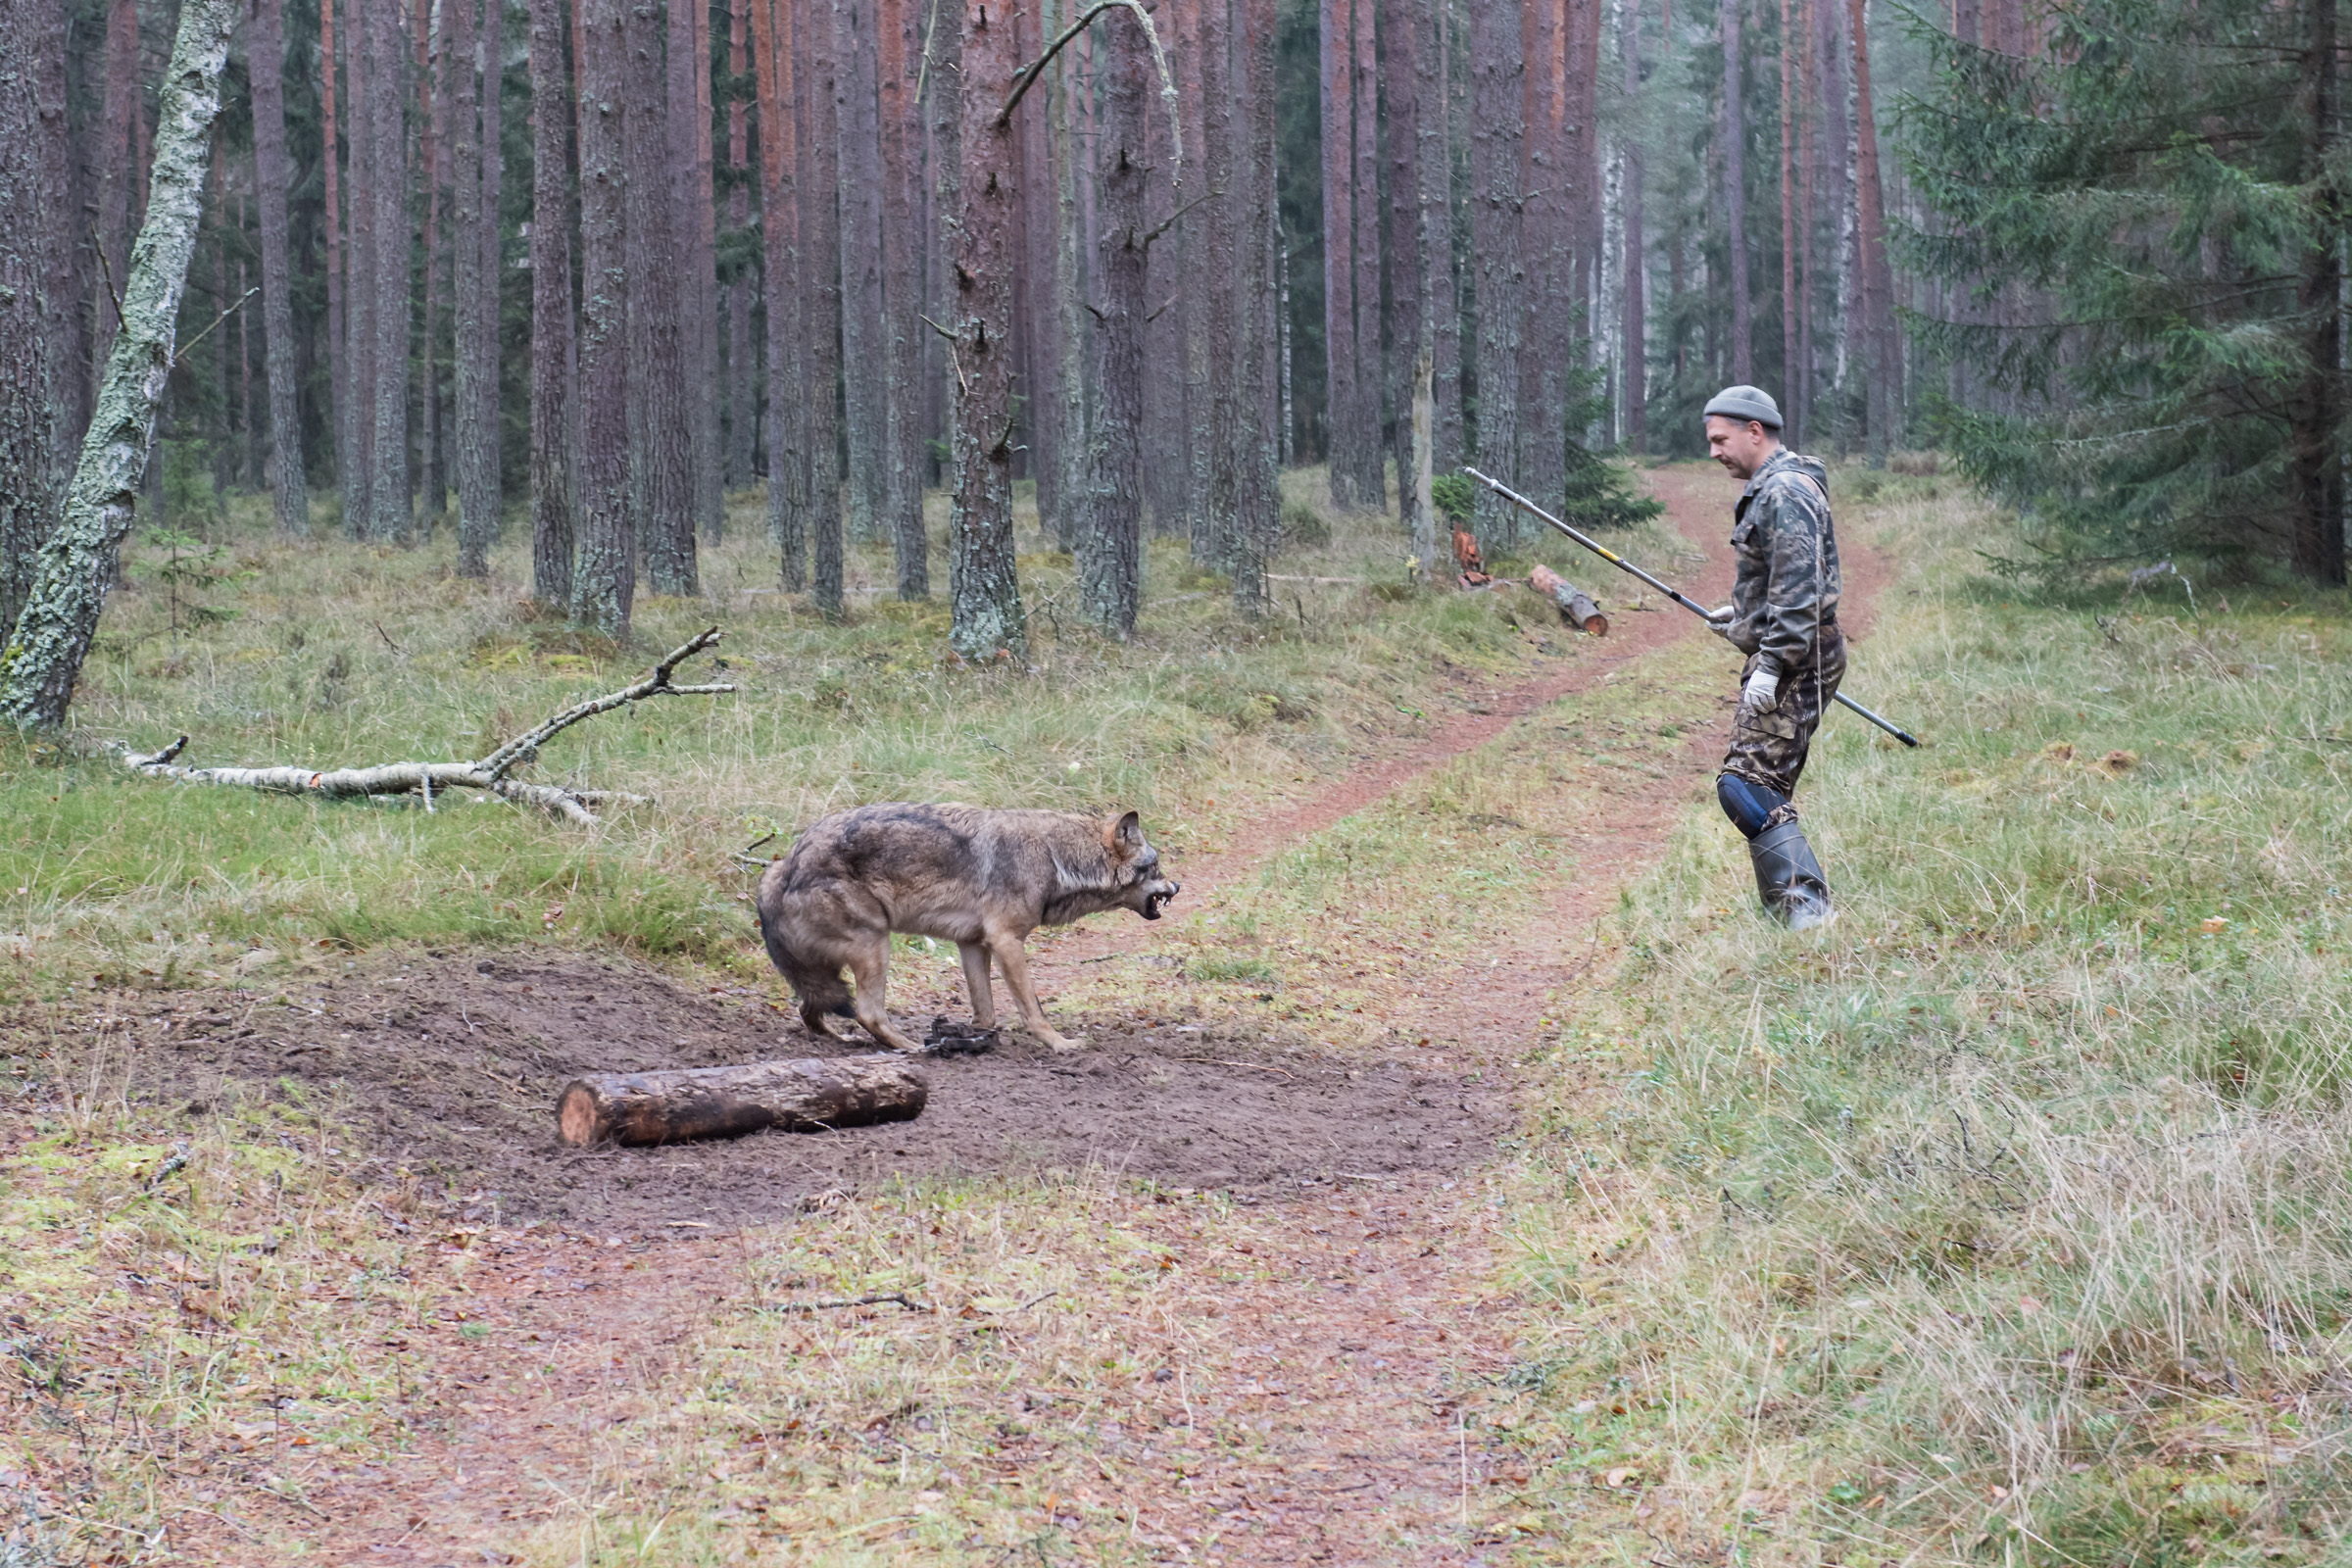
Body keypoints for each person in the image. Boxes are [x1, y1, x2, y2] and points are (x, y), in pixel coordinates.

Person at [1699, 386, 1840, 929]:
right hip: (1791, 646)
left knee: (1748, 788)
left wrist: (1774, 662)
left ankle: (1806, 914)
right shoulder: (1774, 489)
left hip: (1799, 656)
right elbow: (1783, 580)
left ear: (1753, 431)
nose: (1714, 451)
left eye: (1720, 439)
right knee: (1755, 785)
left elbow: (1802, 591)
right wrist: (1742, 618)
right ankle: (1796, 914)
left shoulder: (1784, 491)